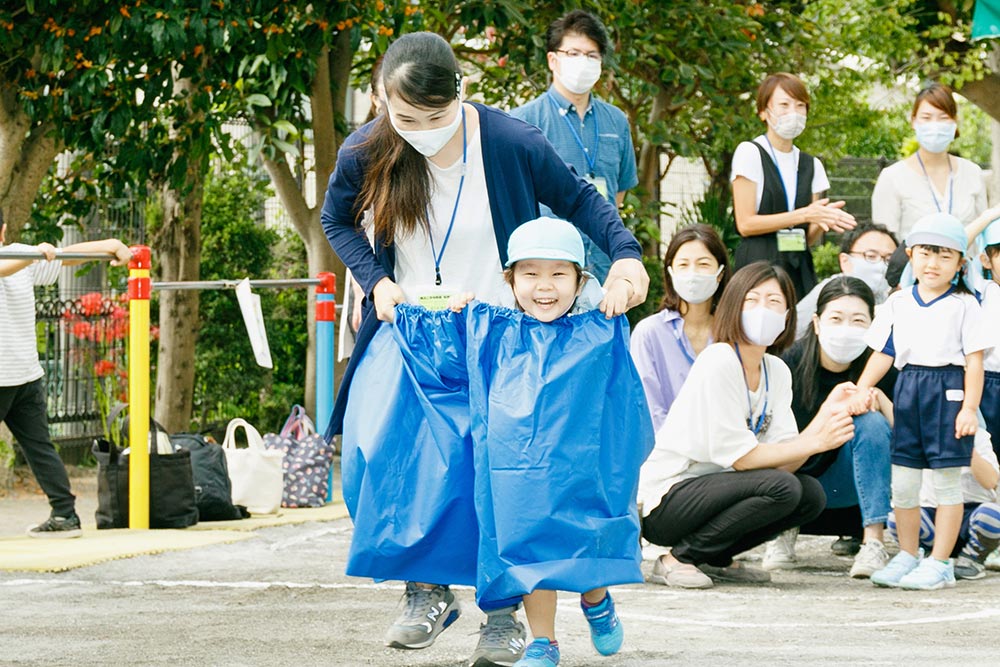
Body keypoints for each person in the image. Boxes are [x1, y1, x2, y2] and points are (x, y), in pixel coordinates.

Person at [319, 32, 648, 666]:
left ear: (460, 96)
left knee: (494, 468)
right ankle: (427, 592)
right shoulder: (369, 146)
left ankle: (502, 617)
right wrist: (374, 279)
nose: (418, 131)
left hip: (498, 332)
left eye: (433, 118)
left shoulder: (508, 141)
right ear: (382, 99)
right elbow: (336, 218)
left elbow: (580, 199)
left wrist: (628, 257)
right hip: (412, 324)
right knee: (389, 452)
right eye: (403, 116)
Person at [442, 217, 652, 667]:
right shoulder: (496, 315)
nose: (545, 287)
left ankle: (596, 600)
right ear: (510, 278)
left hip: (581, 455)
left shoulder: (597, 310)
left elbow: (630, 292)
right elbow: (464, 329)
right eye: (530, 273)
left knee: (583, 539)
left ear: (581, 279)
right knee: (531, 542)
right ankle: (543, 641)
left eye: (559, 274)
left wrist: (622, 291)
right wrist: (463, 307)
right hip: (523, 459)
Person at [637, 261, 856, 590]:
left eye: (774, 302)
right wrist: (816, 441)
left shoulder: (776, 370)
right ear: (732, 308)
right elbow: (743, 459)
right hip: (669, 499)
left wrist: (825, 417)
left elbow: (786, 459)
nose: (763, 310)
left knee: (809, 494)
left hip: (720, 492)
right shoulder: (719, 359)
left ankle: (714, 558)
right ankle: (677, 559)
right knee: (783, 488)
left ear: (786, 316)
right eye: (751, 301)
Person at [850, 212, 989, 590]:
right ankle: (908, 555)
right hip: (909, 391)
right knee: (905, 485)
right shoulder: (899, 303)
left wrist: (969, 409)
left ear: (961, 263)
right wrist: (863, 387)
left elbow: (974, 361)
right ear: (911, 254)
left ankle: (940, 562)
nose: (933, 263)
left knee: (947, 485)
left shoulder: (966, 305)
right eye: (926, 253)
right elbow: (884, 351)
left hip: (949, 392)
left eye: (946, 256)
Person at [0, 220, 132, 537]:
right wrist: (38, 254)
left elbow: (66, 255)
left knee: (40, 447)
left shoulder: (20, 256)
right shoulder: (21, 257)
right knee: (39, 447)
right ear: (4, 228)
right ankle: (65, 514)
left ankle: (64, 515)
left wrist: (110, 243)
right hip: (24, 375)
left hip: (14, 376)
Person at [776, 277, 896, 577]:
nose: (846, 329)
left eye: (858, 320)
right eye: (836, 318)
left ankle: (873, 542)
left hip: (858, 491)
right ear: (816, 323)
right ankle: (781, 530)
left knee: (871, 422)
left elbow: (909, 440)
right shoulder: (788, 365)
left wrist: (879, 398)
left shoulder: (882, 366)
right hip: (797, 485)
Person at [509, 9, 638, 282]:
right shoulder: (523, 121)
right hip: (548, 266)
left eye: (592, 55)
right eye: (574, 53)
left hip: (604, 262)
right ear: (553, 60)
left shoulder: (616, 121)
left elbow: (620, 191)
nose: (584, 62)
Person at [731, 72, 856, 301]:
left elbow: (808, 236)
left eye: (800, 106)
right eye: (784, 105)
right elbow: (745, 224)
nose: (794, 113)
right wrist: (805, 213)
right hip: (757, 266)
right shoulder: (750, 152)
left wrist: (822, 219)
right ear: (763, 112)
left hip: (799, 266)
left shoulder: (811, 164)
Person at [630, 224, 731, 430]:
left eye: (703, 264)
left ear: (720, 273)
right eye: (683, 265)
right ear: (671, 272)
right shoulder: (649, 333)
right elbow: (649, 410)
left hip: (727, 454)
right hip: (666, 455)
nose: (693, 273)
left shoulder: (733, 332)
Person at [871, 83, 988, 241]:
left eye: (943, 117)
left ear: (955, 122)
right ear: (913, 121)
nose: (935, 125)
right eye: (926, 117)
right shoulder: (892, 177)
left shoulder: (972, 172)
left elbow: (983, 233)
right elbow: (884, 242)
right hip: (913, 265)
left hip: (966, 265)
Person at [886, 428, 1000, 581]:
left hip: (971, 515)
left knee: (991, 515)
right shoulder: (920, 434)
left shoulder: (978, 436)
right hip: (934, 518)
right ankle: (928, 555)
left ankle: (972, 558)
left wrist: (966, 447)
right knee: (896, 519)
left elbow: (991, 481)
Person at [794, 223, 898, 339]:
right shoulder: (828, 293)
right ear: (845, 261)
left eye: (889, 260)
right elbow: (792, 332)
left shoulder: (893, 299)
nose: (881, 266)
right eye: (871, 256)